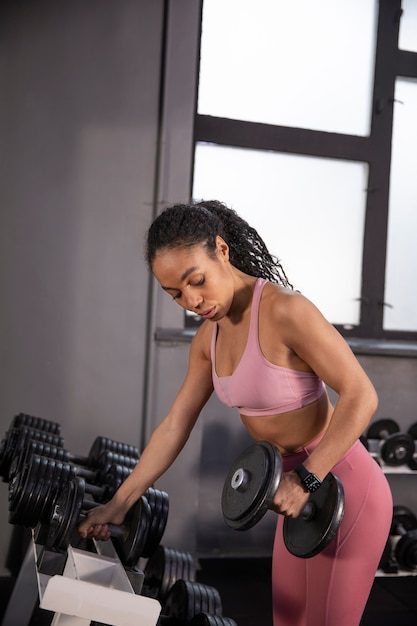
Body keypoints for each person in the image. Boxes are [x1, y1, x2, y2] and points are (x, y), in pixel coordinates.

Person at [78, 200, 393, 626]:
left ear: (222, 251)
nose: (191, 300)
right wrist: (119, 503)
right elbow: (174, 426)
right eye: (175, 293)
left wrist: (308, 477)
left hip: (343, 485)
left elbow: (361, 395)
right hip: (293, 486)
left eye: (197, 281)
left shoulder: (285, 310)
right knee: (287, 619)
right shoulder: (207, 340)